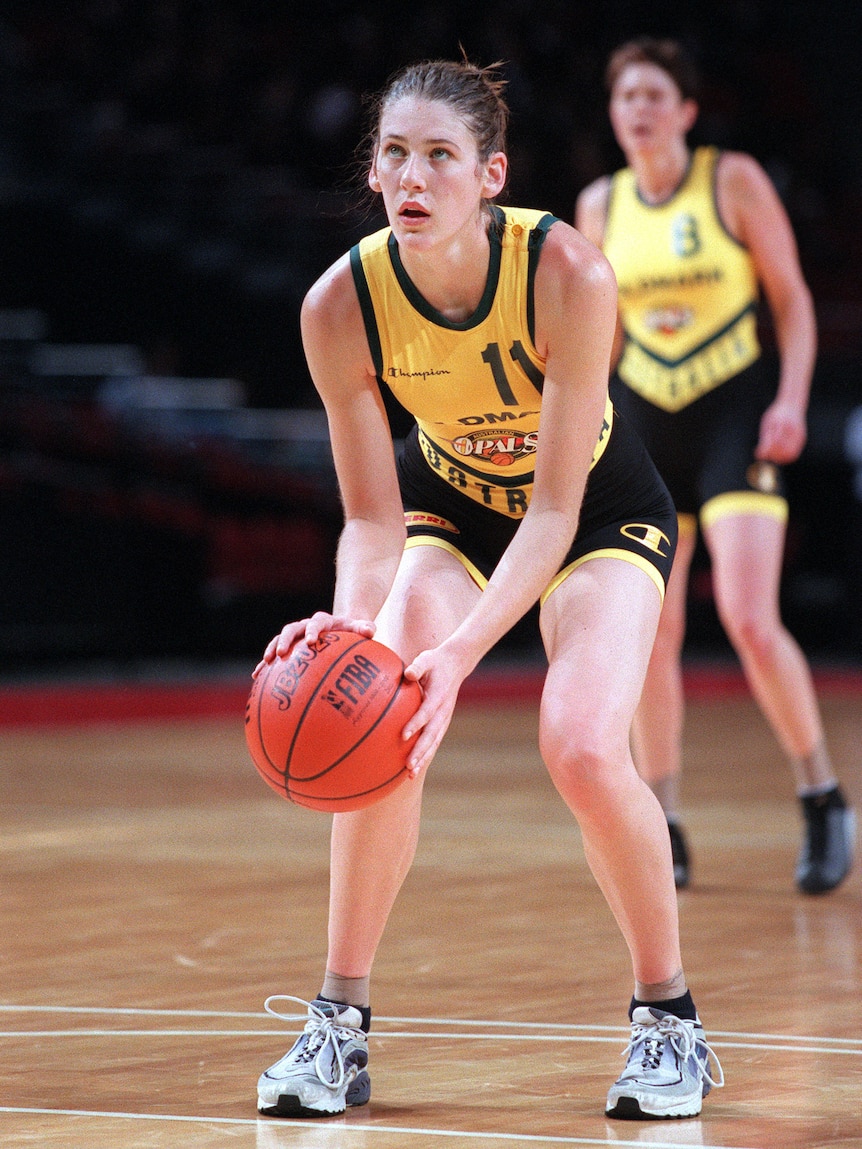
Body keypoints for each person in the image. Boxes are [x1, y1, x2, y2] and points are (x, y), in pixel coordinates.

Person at [254, 56, 723, 1123]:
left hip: (598, 511)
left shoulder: (568, 275)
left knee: (583, 745)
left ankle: (670, 1021)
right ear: (373, 174)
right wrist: (353, 633)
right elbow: (373, 519)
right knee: (378, 723)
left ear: (490, 176)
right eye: (393, 154)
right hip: (451, 509)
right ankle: (338, 1024)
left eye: (439, 156)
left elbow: (554, 516)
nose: (411, 175)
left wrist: (460, 653)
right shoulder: (340, 306)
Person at [575, 37, 855, 894]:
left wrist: (792, 399)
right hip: (644, 415)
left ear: (688, 112)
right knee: (650, 629)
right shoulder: (599, 204)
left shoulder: (729, 180)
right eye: (628, 98)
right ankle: (661, 817)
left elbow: (793, 298)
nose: (641, 110)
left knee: (745, 613)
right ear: (614, 114)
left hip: (737, 408)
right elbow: (595, 331)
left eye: (657, 95)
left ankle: (821, 792)